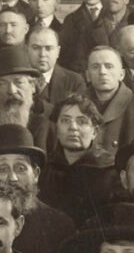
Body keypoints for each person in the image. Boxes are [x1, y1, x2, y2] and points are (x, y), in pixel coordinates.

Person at [0, 121, 81, 253]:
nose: (12, 178)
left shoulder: (59, 226)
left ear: (36, 174)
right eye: (3, 169)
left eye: (20, 168)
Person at [39, 94, 119, 232]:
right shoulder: (44, 169)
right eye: (65, 121)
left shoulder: (111, 172)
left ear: (95, 131)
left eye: (81, 121)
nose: (73, 128)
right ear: (57, 129)